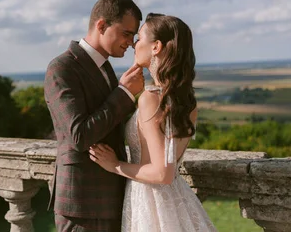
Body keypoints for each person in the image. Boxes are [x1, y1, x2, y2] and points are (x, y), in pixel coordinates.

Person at [89, 13, 217, 231]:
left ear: (156, 47)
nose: (133, 45)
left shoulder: (151, 99)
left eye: (139, 39)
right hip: (176, 198)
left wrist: (115, 165)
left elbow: (161, 173)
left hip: (150, 202)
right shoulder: (185, 100)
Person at [45, 0, 146, 232]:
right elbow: (79, 135)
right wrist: (125, 94)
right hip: (82, 205)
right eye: (126, 33)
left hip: (111, 198)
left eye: (134, 36)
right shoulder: (62, 68)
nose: (131, 42)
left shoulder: (105, 68)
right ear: (101, 25)